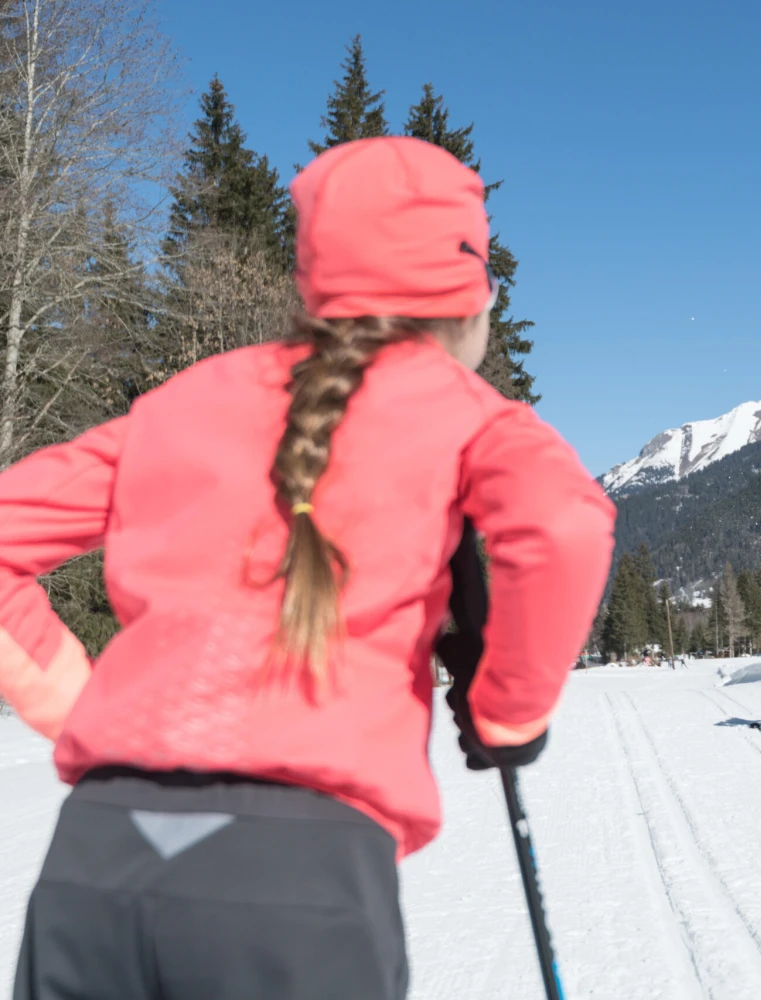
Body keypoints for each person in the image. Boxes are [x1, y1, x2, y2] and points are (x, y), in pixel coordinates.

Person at [0, 136, 616, 1000]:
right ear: (471, 297)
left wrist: (81, 706)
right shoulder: (471, 415)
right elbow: (564, 526)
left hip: (96, 860)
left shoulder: (183, 403)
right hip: (302, 880)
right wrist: (506, 714)